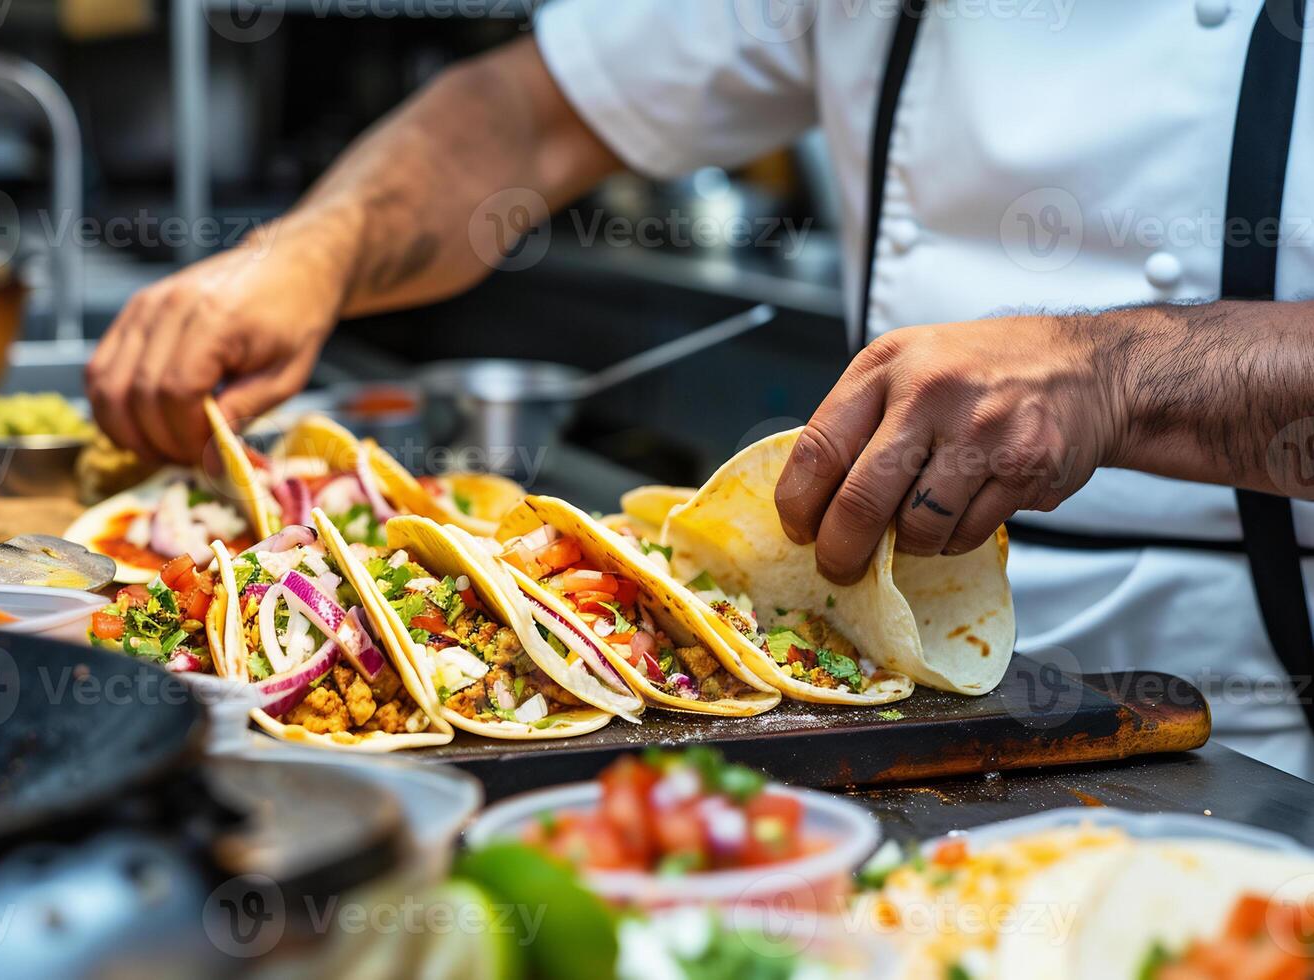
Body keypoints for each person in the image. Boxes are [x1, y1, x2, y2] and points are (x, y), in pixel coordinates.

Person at [88, 1, 1314, 776]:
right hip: (842, 679)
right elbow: (531, 114)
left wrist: (1115, 372)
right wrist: (315, 249)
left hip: (1263, 725)